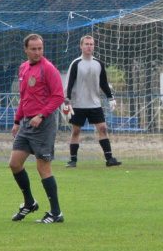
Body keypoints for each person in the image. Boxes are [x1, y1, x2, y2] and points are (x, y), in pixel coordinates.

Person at [9, 33, 66, 224]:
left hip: (44, 123)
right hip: (26, 123)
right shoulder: (24, 68)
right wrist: (17, 121)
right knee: (15, 163)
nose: (37, 52)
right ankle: (29, 203)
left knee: (43, 167)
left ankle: (56, 213)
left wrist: (41, 115)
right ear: (25, 49)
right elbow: (24, 96)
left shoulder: (49, 69)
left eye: (40, 48)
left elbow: (58, 97)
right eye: (33, 49)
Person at [62, 35, 122, 168]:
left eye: (91, 44)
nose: (89, 46)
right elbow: (69, 83)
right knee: (76, 131)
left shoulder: (98, 63)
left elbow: (103, 83)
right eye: (87, 44)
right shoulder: (76, 63)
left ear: (94, 46)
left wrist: (110, 98)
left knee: (103, 128)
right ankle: (73, 160)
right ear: (81, 46)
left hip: (94, 103)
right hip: (78, 104)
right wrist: (67, 101)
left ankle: (109, 159)